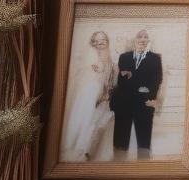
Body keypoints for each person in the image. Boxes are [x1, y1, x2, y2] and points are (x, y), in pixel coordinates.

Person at [62, 30, 116, 161]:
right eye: (97, 41)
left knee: (94, 118)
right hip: (90, 89)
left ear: (107, 41)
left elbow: (109, 77)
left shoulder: (110, 57)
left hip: (100, 90)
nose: (100, 42)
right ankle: (77, 144)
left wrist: (105, 92)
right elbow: (88, 73)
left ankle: (85, 145)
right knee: (84, 114)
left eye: (102, 39)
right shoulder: (91, 55)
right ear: (94, 43)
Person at [111, 28, 162, 160]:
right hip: (124, 102)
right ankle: (118, 165)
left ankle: (143, 166)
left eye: (146, 37)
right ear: (135, 40)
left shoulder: (155, 58)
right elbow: (122, 81)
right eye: (140, 37)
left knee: (144, 140)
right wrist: (140, 84)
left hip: (144, 102)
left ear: (148, 41)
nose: (143, 39)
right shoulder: (124, 57)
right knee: (120, 139)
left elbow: (157, 79)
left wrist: (149, 92)